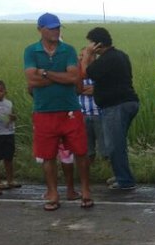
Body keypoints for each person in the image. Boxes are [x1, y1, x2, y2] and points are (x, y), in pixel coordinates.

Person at [23, 12, 93, 211]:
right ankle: (53, 193)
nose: (56, 31)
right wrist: (59, 77)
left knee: (81, 152)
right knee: (48, 155)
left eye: (58, 27)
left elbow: (73, 77)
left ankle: (86, 190)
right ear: (40, 30)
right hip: (44, 110)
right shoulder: (31, 51)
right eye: (52, 28)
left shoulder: (68, 50)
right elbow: (31, 80)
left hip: (70, 109)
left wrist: (44, 72)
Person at [79, 26, 139, 190]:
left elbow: (84, 72)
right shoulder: (119, 55)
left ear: (97, 44)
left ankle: (125, 181)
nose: (89, 47)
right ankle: (122, 175)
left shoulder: (107, 59)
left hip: (116, 106)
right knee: (118, 143)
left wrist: (87, 55)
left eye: (90, 43)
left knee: (114, 145)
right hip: (128, 103)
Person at [77, 75, 102, 164]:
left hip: (99, 114)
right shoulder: (76, 76)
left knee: (105, 145)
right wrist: (92, 89)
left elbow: (100, 89)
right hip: (82, 114)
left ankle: (107, 168)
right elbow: (74, 90)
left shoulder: (98, 74)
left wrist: (81, 89)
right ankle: (91, 167)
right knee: (87, 147)